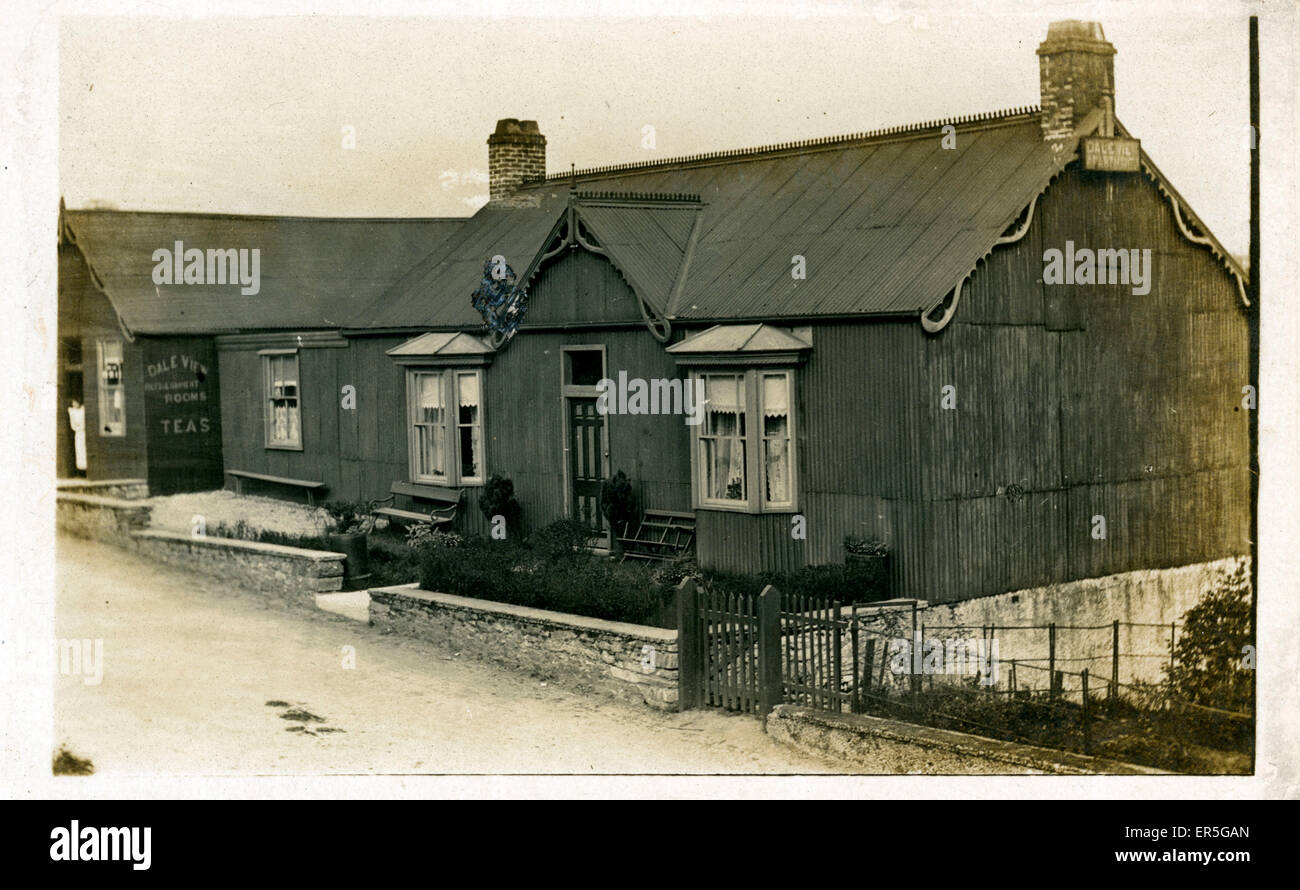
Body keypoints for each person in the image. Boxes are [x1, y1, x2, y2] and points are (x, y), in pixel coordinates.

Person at [67, 399, 86, 473]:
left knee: (84, 449)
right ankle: (81, 470)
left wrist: (82, 427)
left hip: (84, 432)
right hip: (78, 433)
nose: (75, 404)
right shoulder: (72, 412)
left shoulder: (83, 410)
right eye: (73, 403)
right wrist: (78, 428)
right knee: (79, 450)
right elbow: (73, 425)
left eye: (76, 402)